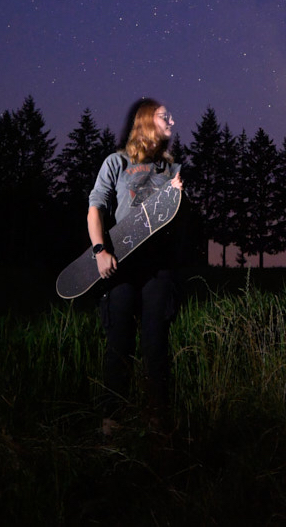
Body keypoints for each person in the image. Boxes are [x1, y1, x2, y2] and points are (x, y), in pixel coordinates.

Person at [87, 98, 185, 435]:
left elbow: (175, 222)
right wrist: (100, 250)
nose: (171, 119)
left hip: (159, 269)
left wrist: (178, 197)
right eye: (163, 115)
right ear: (145, 121)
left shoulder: (172, 171)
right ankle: (111, 422)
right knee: (119, 344)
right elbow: (96, 208)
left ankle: (157, 422)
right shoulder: (116, 162)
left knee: (156, 346)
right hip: (121, 267)